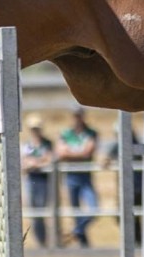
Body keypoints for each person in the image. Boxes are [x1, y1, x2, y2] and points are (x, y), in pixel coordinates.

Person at [55, 106, 98, 248]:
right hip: (71, 176)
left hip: (85, 176)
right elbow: (61, 153)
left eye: (79, 115)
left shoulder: (90, 133)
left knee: (93, 209)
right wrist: (78, 153)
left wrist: (70, 153)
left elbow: (88, 152)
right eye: (75, 116)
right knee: (75, 211)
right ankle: (83, 243)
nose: (77, 118)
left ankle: (75, 232)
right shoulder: (66, 133)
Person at [101, 122, 144, 246]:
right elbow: (106, 158)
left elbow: (106, 159)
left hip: (135, 186)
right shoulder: (124, 144)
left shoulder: (132, 144)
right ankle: (135, 241)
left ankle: (136, 241)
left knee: (131, 215)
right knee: (127, 215)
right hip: (128, 186)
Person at [21, 113, 55, 248]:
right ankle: (40, 242)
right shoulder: (27, 145)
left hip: (44, 179)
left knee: (42, 209)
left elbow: (50, 158)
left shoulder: (47, 144)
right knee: (34, 211)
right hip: (31, 179)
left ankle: (45, 240)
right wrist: (38, 162)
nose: (35, 131)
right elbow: (24, 162)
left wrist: (35, 163)